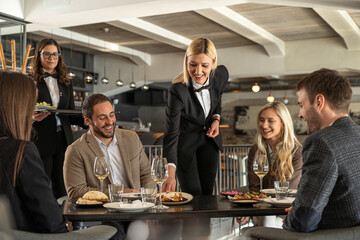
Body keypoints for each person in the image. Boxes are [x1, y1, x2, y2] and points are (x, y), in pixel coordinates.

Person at [283, 68, 360, 232]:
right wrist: (301, 210)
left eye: (301, 105)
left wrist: (294, 216)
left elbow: (303, 222)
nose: (300, 114)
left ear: (319, 102)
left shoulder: (321, 142)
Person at [0, 71, 67, 233]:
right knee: (114, 230)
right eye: (32, 104)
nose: (33, 113)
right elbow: (52, 223)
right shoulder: (21, 152)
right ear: (19, 107)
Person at [163, 38, 229, 195]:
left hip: (209, 143)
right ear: (186, 61)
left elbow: (217, 98)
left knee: (207, 196)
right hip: (185, 147)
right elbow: (171, 134)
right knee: (193, 196)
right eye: (193, 64)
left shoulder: (221, 75)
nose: (198, 71)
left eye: (204, 65)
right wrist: (169, 174)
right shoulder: (178, 91)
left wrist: (216, 118)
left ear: (213, 63)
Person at [63, 93, 155, 200]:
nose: (110, 121)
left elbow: (147, 174)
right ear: (87, 120)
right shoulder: (76, 150)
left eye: (112, 115)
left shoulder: (131, 138)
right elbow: (75, 191)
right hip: (103, 210)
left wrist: (146, 199)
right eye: (102, 118)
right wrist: (119, 193)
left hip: (137, 206)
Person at [31, 38, 83, 199]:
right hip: (41, 137)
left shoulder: (66, 82)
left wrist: (92, 121)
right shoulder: (30, 80)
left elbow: (70, 113)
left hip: (63, 139)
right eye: (46, 54)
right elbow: (23, 110)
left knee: (63, 184)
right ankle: (45, 220)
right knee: (43, 183)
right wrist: (32, 117)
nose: (51, 57)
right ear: (39, 55)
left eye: (55, 54)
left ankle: (64, 221)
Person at [237, 101, 303, 227]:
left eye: (270, 121)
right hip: (262, 211)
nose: (264, 125)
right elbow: (255, 188)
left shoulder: (297, 151)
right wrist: (248, 212)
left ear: (283, 123)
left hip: (285, 213)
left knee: (265, 223)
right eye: (261, 120)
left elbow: (288, 190)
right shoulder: (255, 150)